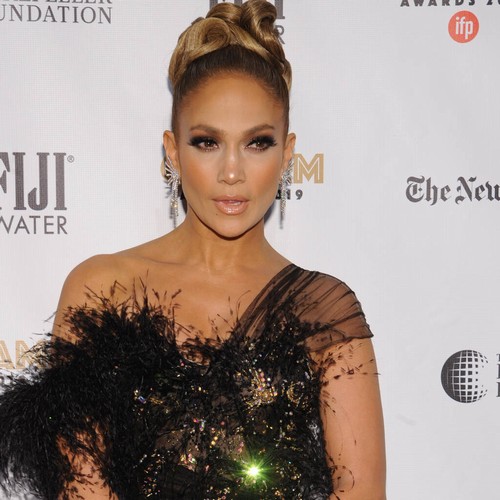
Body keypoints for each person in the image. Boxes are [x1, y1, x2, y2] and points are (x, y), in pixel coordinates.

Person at [0, 1, 385, 499]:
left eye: (257, 143)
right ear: (173, 151)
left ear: (287, 153)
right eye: (207, 142)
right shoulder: (100, 290)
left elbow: (360, 493)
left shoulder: (324, 309)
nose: (232, 172)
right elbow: (82, 488)